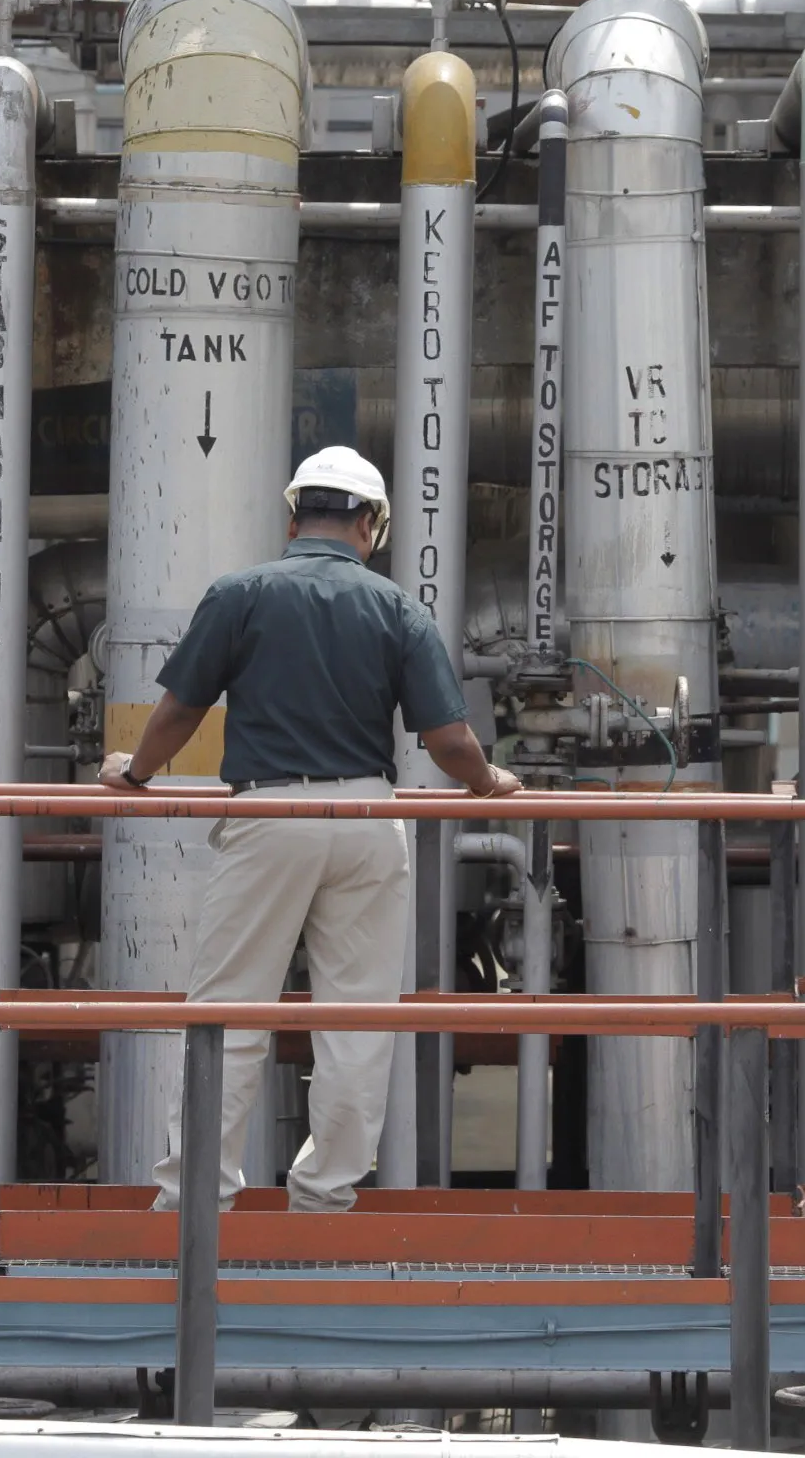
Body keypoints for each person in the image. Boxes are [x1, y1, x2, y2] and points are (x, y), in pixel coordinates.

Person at [102, 445, 521, 1214]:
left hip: (268, 815)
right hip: (367, 819)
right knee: (357, 1018)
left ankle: (198, 1198)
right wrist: (490, 781)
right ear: (371, 524)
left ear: (294, 517)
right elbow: (449, 741)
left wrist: (134, 775)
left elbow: (180, 711)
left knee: (227, 1012)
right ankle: (325, 1199)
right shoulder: (396, 608)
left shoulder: (241, 593)